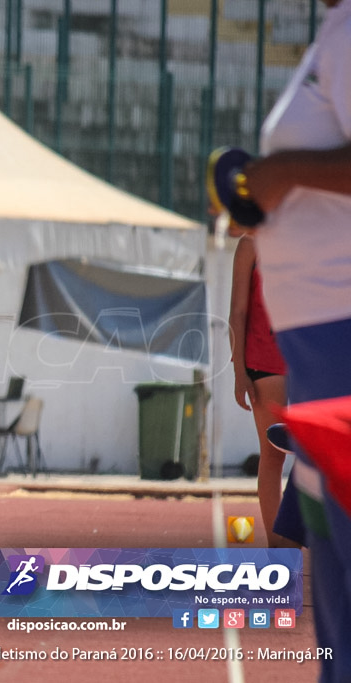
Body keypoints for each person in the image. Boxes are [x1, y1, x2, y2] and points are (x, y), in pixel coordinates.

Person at [241, 2, 351, 679]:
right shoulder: (334, 29)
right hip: (313, 339)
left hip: (338, 333)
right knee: (332, 565)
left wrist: (278, 175)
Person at [226, 232, 293, 548]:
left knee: (314, 454)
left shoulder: (310, 239)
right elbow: (237, 312)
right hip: (263, 360)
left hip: (305, 358)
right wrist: (239, 370)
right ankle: (277, 544)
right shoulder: (250, 244)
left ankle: (301, 533)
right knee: (273, 454)